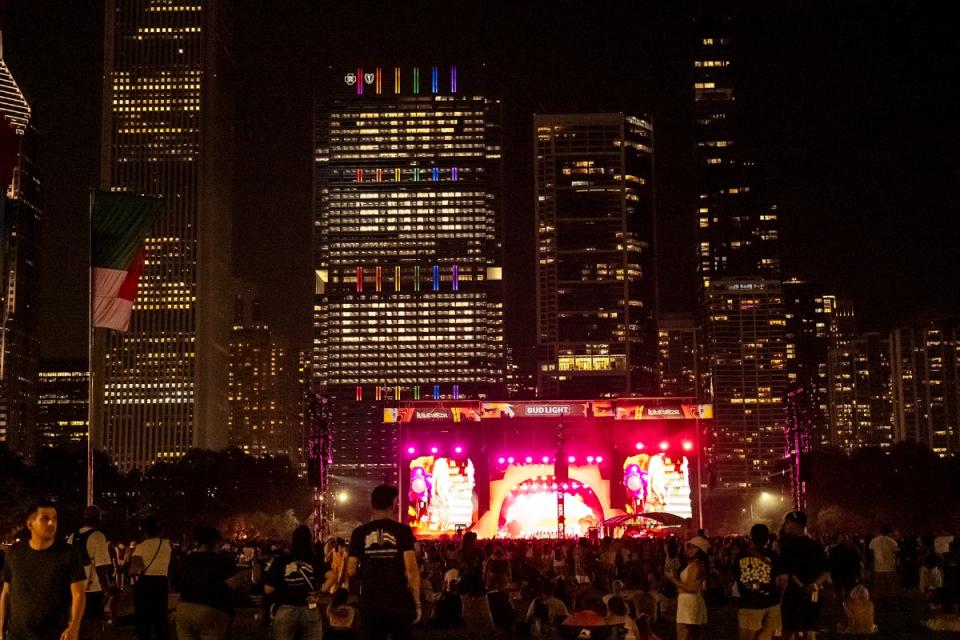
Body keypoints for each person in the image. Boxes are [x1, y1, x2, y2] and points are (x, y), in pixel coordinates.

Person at [1, 500, 87, 640]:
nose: (51, 523)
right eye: (45, 519)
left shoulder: (68, 554)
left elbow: (78, 594)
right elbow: (6, 592)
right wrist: (1, 628)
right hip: (17, 635)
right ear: (30, 524)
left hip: (54, 634)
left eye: (54, 519)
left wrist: (74, 627)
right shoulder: (15, 553)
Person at [346, 485, 420, 640]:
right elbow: (412, 570)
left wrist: (367, 570)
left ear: (372, 505)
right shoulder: (403, 531)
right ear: (393, 504)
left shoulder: (359, 533)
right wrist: (417, 603)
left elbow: (351, 569)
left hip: (370, 602)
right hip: (398, 601)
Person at [171, 526, 239, 640]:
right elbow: (235, 584)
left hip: (184, 609)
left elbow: (175, 584)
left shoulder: (185, 560)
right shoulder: (221, 560)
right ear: (216, 542)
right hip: (212, 609)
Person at [265, 525, 324, 640]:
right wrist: (319, 592)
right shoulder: (314, 560)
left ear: (293, 541)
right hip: (310, 608)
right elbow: (331, 576)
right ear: (309, 541)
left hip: (286, 609)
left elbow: (268, 589)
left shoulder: (280, 561)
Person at [779, 512, 828, 640]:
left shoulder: (787, 547)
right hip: (813, 594)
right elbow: (825, 570)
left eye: (787, 524)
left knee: (789, 629)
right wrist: (814, 584)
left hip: (792, 593)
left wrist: (802, 586)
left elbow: (788, 573)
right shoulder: (816, 546)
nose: (785, 527)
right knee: (810, 628)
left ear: (793, 526)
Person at [66, 506, 112, 640]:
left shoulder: (72, 536)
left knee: (76, 624)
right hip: (93, 590)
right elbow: (101, 567)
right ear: (98, 518)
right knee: (93, 626)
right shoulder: (98, 536)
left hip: (74, 589)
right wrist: (107, 588)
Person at [735, 524, 785, 640]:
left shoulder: (740, 556)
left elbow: (737, 577)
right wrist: (779, 596)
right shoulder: (773, 556)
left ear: (751, 537)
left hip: (749, 603)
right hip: (771, 603)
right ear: (767, 539)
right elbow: (783, 579)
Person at [128, 516, 171, 640]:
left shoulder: (141, 547)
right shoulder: (166, 544)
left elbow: (133, 570)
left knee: (143, 620)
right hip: (162, 583)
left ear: (144, 531)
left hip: (146, 584)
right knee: (161, 619)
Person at [667, 537, 708, 640]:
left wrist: (673, 579)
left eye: (693, 548)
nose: (689, 550)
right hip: (689, 602)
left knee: (684, 634)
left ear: (700, 550)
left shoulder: (695, 566)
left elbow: (691, 588)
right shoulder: (694, 564)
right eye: (689, 548)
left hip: (689, 604)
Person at [868, 526, 898, 602]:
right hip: (890, 566)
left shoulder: (874, 541)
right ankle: (891, 599)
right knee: (890, 585)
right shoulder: (892, 542)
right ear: (889, 533)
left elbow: (870, 552)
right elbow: (896, 552)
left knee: (879, 585)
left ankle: (880, 599)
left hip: (878, 566)